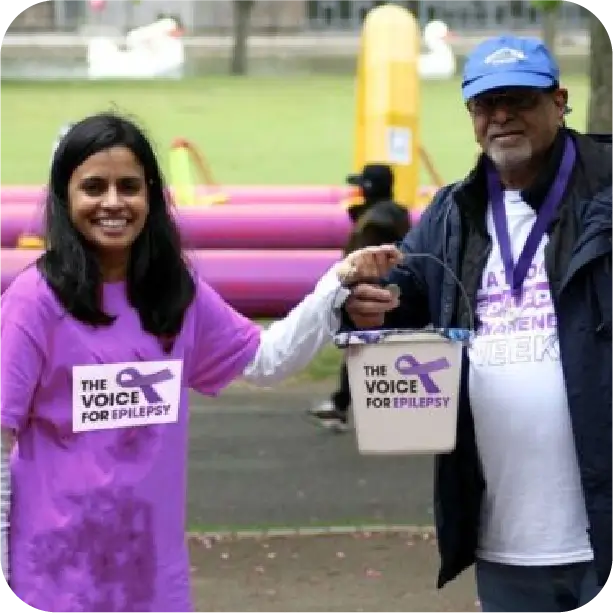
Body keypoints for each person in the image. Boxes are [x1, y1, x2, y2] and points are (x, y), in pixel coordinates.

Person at [0, 112, 402, 612]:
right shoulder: (34, 302)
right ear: (65, 198)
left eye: (129, 186)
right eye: (93, 187)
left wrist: (336, 283)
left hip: (153, 582)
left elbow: (267, 360)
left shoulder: (176, 294)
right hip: (54, 581)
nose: (112, 202)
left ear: (150, 194)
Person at [344, 35, 613, 613]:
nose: (500, 117)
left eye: (517, 99)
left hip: (603, 536)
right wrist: (369, 296)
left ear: (559, 101)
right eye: (485, 105)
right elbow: (406, 291)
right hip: (505, 539)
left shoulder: (608, 193)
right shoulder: (452, 212)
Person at [307, 163, 410, 431]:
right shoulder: (387, 214)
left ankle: (342, 405)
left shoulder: (378, 220)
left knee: (364, 348)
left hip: (373, 294)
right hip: (381, 293)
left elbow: (373, 249)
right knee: (365, 349)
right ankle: (342, 404)